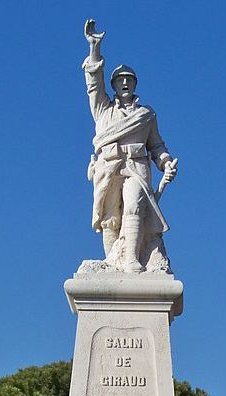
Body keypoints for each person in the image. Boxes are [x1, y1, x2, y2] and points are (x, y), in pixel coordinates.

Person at [83, 19, 177, 272]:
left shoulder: (147, 115)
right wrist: (95, 48)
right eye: (120, 80)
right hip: (108, 167)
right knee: (110, 218)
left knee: (135, 205)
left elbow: (156, 145)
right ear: (113, 86)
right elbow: (93, 84)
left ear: (135, 84)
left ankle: (132, 259)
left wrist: (166, 161)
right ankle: (113, 263)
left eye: (129, 80)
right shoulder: (103, 110)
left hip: (136, 166)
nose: (125, 83)